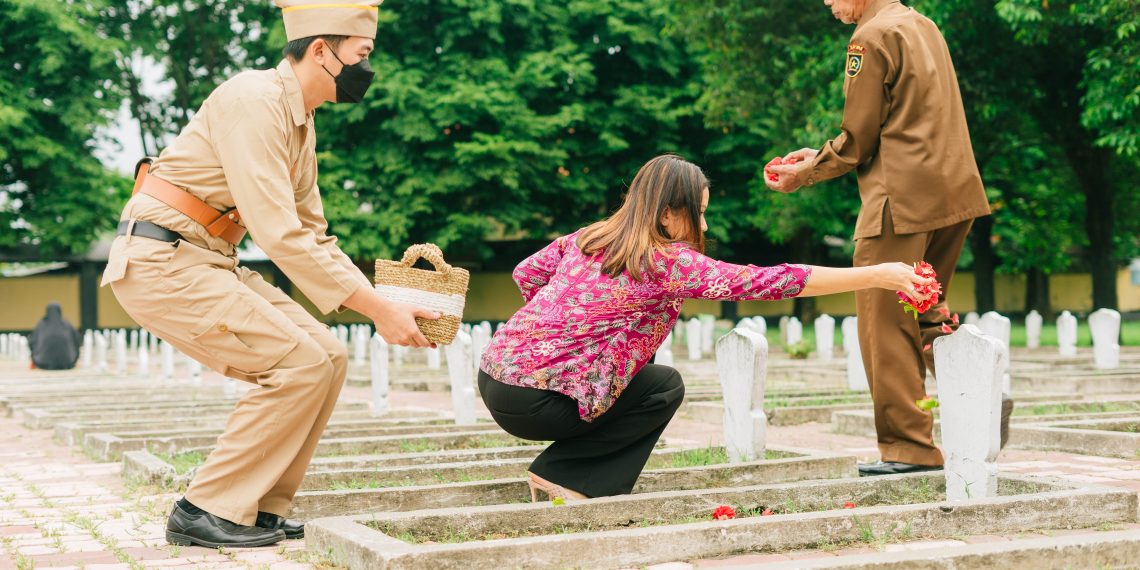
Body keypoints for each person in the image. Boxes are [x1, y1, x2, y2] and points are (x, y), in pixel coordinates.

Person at [102, 0, 438, 548]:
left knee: (327, 356)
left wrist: (380, 300)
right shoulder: (255, 100)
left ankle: (254, 506)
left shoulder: (301, 124)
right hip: (162, 260)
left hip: (209, 260)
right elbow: (278, 234)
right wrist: (378, 311)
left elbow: (314, 234)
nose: (368, 68)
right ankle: (202, 508)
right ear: (322, 51)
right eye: (363, 53)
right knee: (299, 361)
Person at [478, 154, 936, 501]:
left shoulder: (589, 236)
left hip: (493, 380)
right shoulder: (664, 259)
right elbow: (768, 281)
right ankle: (566, 476)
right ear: (665, 216)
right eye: (698, 212)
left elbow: (526, 273)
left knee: (641, 370)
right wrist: (878, 274)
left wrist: (555, 338)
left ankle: (564, 472)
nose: (705, 223)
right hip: (540, 404)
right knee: (662, 386)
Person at [765, 0, 1010, 477]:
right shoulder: (923, 26)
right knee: (922, 310)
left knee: (882, 320)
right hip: (952, 192)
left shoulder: (869, 37)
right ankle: (982, 393)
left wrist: (805, 174)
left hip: (900, 201)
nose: (828, 4)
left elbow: (859, 139)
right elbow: (904, 121)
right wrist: (817, 155)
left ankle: (908, 448)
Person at [28, 302, 80, 370]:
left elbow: (32, 341)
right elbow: (77, 339)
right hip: (67, 362)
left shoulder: (42, 324)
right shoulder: (66, 324)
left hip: (43, 363)